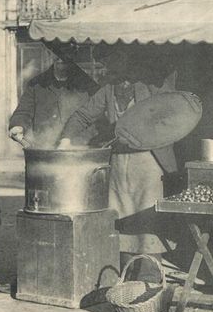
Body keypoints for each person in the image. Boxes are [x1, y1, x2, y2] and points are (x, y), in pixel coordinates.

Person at [58, 45, 178, 282]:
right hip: (120, 164)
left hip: (150, 162)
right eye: (105, 65)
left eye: (110, 62)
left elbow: (173, 112)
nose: (107, 69)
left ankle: (149, 276)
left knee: (147, 217)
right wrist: (65, 139)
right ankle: (127, 274)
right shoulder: (108, 90)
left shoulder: (151, 84)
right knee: (121, 216)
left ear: (125, 59)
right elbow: (83, 115)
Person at [9, 46, 96, 149]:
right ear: (50, 54)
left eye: (66, 52)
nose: (60, 57)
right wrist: (17, 125)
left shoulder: (87, 84)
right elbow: (23, 111)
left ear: (74, 54)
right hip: (45, 148)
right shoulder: (36, 84)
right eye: (57, 53)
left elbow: (98, 116)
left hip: (79, 148)